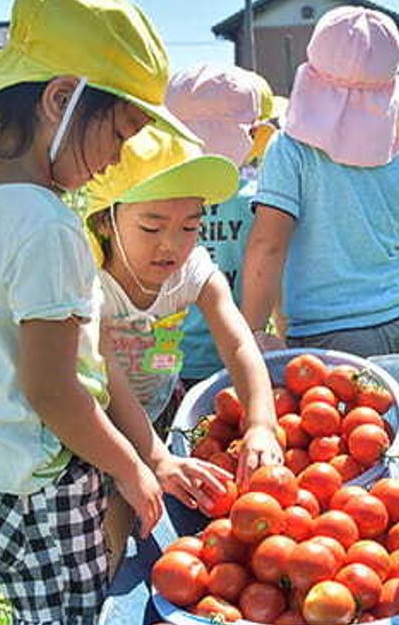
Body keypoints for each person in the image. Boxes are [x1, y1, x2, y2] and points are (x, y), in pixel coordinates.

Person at [0, 0, 226, 622]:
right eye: (119, 134)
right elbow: (53, 389)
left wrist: (153, 455)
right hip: (43, 484)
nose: (115, 161)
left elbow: (80, 359)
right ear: (60, 100)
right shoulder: (47, 224)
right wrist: (133, 470)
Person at [84, 125, 283, 573]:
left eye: (190, 226)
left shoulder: (191, 269)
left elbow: (237, 343)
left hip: (157, 406)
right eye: (151, 226)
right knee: (113, 511)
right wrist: (152, 457)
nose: (171, 244)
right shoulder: (90, 282)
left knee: (151, 513)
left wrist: (261, 424)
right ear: (106, 220)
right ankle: (110, 583)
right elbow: (110, 377)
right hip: (97, 421)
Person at [241, 6, 399, 357]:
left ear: (312, 75)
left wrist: (249, 336)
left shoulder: (291, 150)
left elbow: (268, 246)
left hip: (326, 339)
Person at [163, 63, 271, 386]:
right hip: (237, 356)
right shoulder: (259, 199)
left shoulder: (156, 199)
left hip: (168, 364)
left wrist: (161, 367)